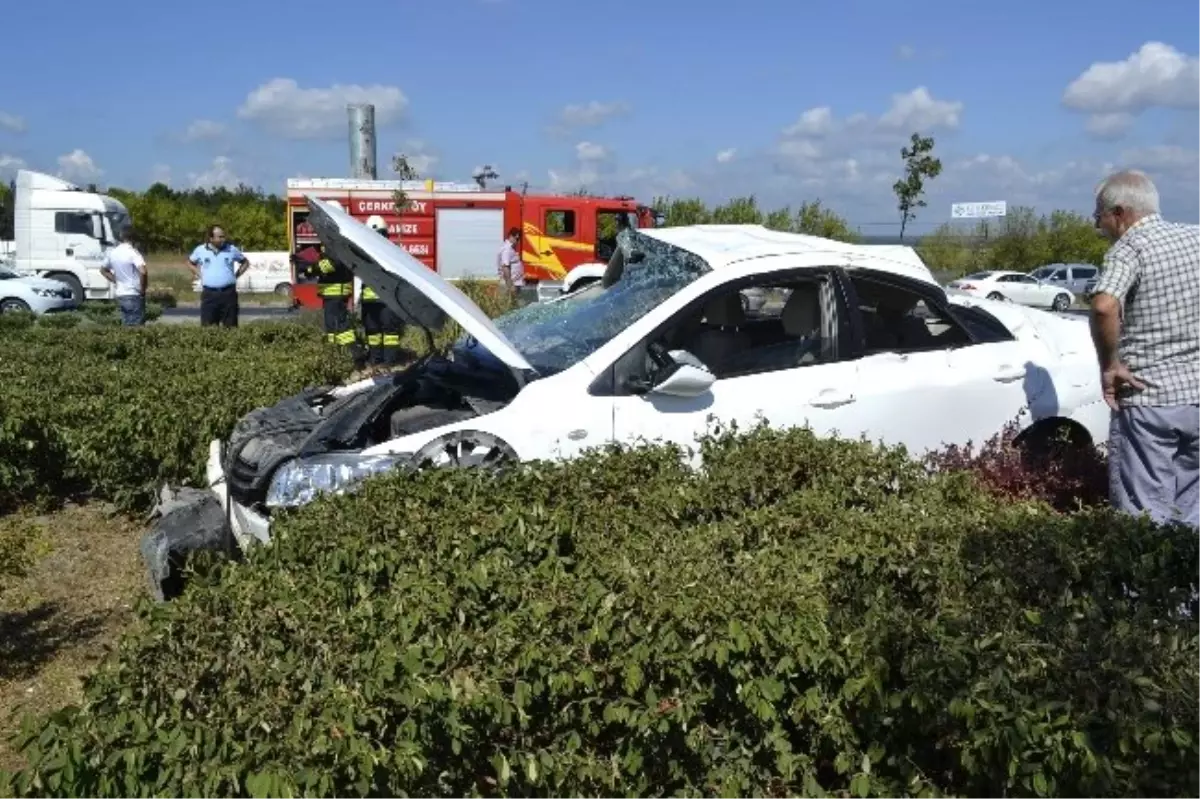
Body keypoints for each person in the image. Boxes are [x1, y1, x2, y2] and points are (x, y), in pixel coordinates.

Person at [1090, 168, 1200, 526]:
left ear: (1119, 213)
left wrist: (1111, 365)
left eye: (1099, 217)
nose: (1098, 227)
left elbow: (1104, 305)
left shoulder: (1129, 249)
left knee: (1143, 519)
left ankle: (1144, 586)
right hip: (1196, 398)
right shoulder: (1195, 238)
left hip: (1149, 403)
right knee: (1190, 511)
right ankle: (1186, 583)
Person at [357, 215, 408, 366]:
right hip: (388, 301)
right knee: (387, 332)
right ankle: (387, 361)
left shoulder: (364, 252)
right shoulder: (393, 251)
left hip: (375, 301)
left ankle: (377, 360)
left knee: (376, 332)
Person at [188, 225, 249, 327]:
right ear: (211, 238)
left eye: (223, 236)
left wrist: (235, 276)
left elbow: (245, 262)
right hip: (209, 294)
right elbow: (189, 263)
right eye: (220, 237)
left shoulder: (231, 249)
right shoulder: (201, 250)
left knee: (231, 326)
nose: (223, 239)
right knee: (208, 327)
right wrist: (200, 274)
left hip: (228, 293)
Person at [298, 246, 355, 347]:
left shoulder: (335, 248)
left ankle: (351, 351)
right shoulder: (338, 247)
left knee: (337, 324)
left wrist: (309, 268)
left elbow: (329, 265)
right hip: (334, 295)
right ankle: (336, 349)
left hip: (335, 294)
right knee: (333, 324)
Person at [99, 224, 147, 326]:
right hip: (133, 293)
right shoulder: (133, 252)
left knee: (126, 325)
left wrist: (116, 279)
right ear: (133, 238)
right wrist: (143, 290)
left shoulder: (113, 252)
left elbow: (103, 270)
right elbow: (143, 271)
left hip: (121, 293)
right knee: (136, 326)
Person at [497, 226, 523, 298]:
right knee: (509, 305)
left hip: (514, 283)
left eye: (519, 239)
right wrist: (510, 286)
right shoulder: (507, 250)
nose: (517, 241)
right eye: (516, 238)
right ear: (511, 236)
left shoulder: (511, 249)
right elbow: (505, 268)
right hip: (510, 284)